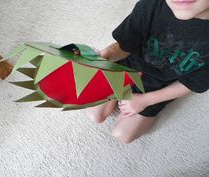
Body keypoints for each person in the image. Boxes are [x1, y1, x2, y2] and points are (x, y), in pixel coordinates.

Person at [85, 0, 209, 144]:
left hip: (159, 87)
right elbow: (124, 45)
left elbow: (191, 84)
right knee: (95, 114)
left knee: (122, 135)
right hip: (124, 68)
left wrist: (146, 100)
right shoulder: (152, 5)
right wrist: (103, 57)